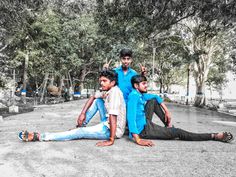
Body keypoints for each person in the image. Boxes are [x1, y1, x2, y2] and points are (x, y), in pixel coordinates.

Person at [18, 70, 126, 147]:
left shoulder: (115, 93)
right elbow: (93, 97)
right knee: (98, 101)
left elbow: (113, 116)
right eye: (101, 80)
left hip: (112, 129)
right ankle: (80, 126)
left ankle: (41, 136)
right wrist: (82, 114)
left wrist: (111, 140)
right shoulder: (107, 90)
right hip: (107, 122)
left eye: (104, 81)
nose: (101, 83)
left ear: (112, 83)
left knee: (80, 133)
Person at [127, 75, 234, 146]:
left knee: (153, 101)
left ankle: (168, 127)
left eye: (146, 83)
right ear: (136, 86)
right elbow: (130, 118)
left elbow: (155, 97)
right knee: (178, 132)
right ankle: (214, 136)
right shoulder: (134, 96)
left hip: (144, 121)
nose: (146, 85)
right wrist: (138, 139)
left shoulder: (139, 94)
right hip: (143, 130)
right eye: (144, 84)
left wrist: (167, 111)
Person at [77, 48, 172, 128]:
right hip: (116, 106)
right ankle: (82, 125)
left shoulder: (134, 74)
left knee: (151, 102)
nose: (126, 61)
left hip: (129, 107)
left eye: (128, 59)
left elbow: (140, 88)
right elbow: (105, 84)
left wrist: (142, 75)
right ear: (120, 59)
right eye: (124, 59)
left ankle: (168, 126)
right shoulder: (114, 72)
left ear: (131, 60)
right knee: (98, 101)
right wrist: (105, 71)